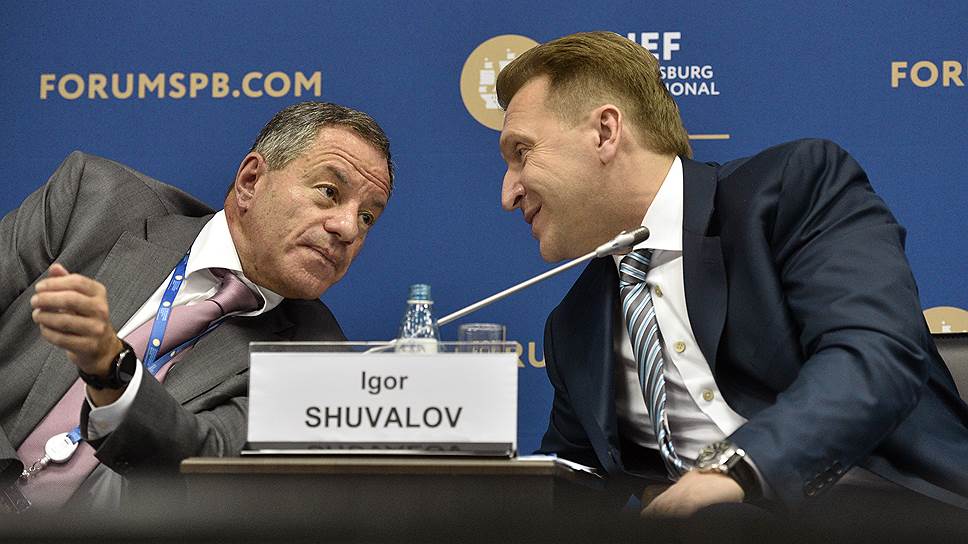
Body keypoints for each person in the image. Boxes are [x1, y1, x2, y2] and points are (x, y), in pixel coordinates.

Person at [495, 32, 968, 517]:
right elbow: (570, 494)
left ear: (605, 132)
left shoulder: (792, 191)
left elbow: (874, 355)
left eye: (522, 153)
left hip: (899, 516)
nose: (508, 194)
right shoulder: (573, 327)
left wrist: (733, 470)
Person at [0, 101, 394, 512]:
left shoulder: (317, 360)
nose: (348, 228)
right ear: (251, 181)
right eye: (329, 192)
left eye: (367, 217)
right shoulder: (94, 202)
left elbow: (204, 465)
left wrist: (112, 371)